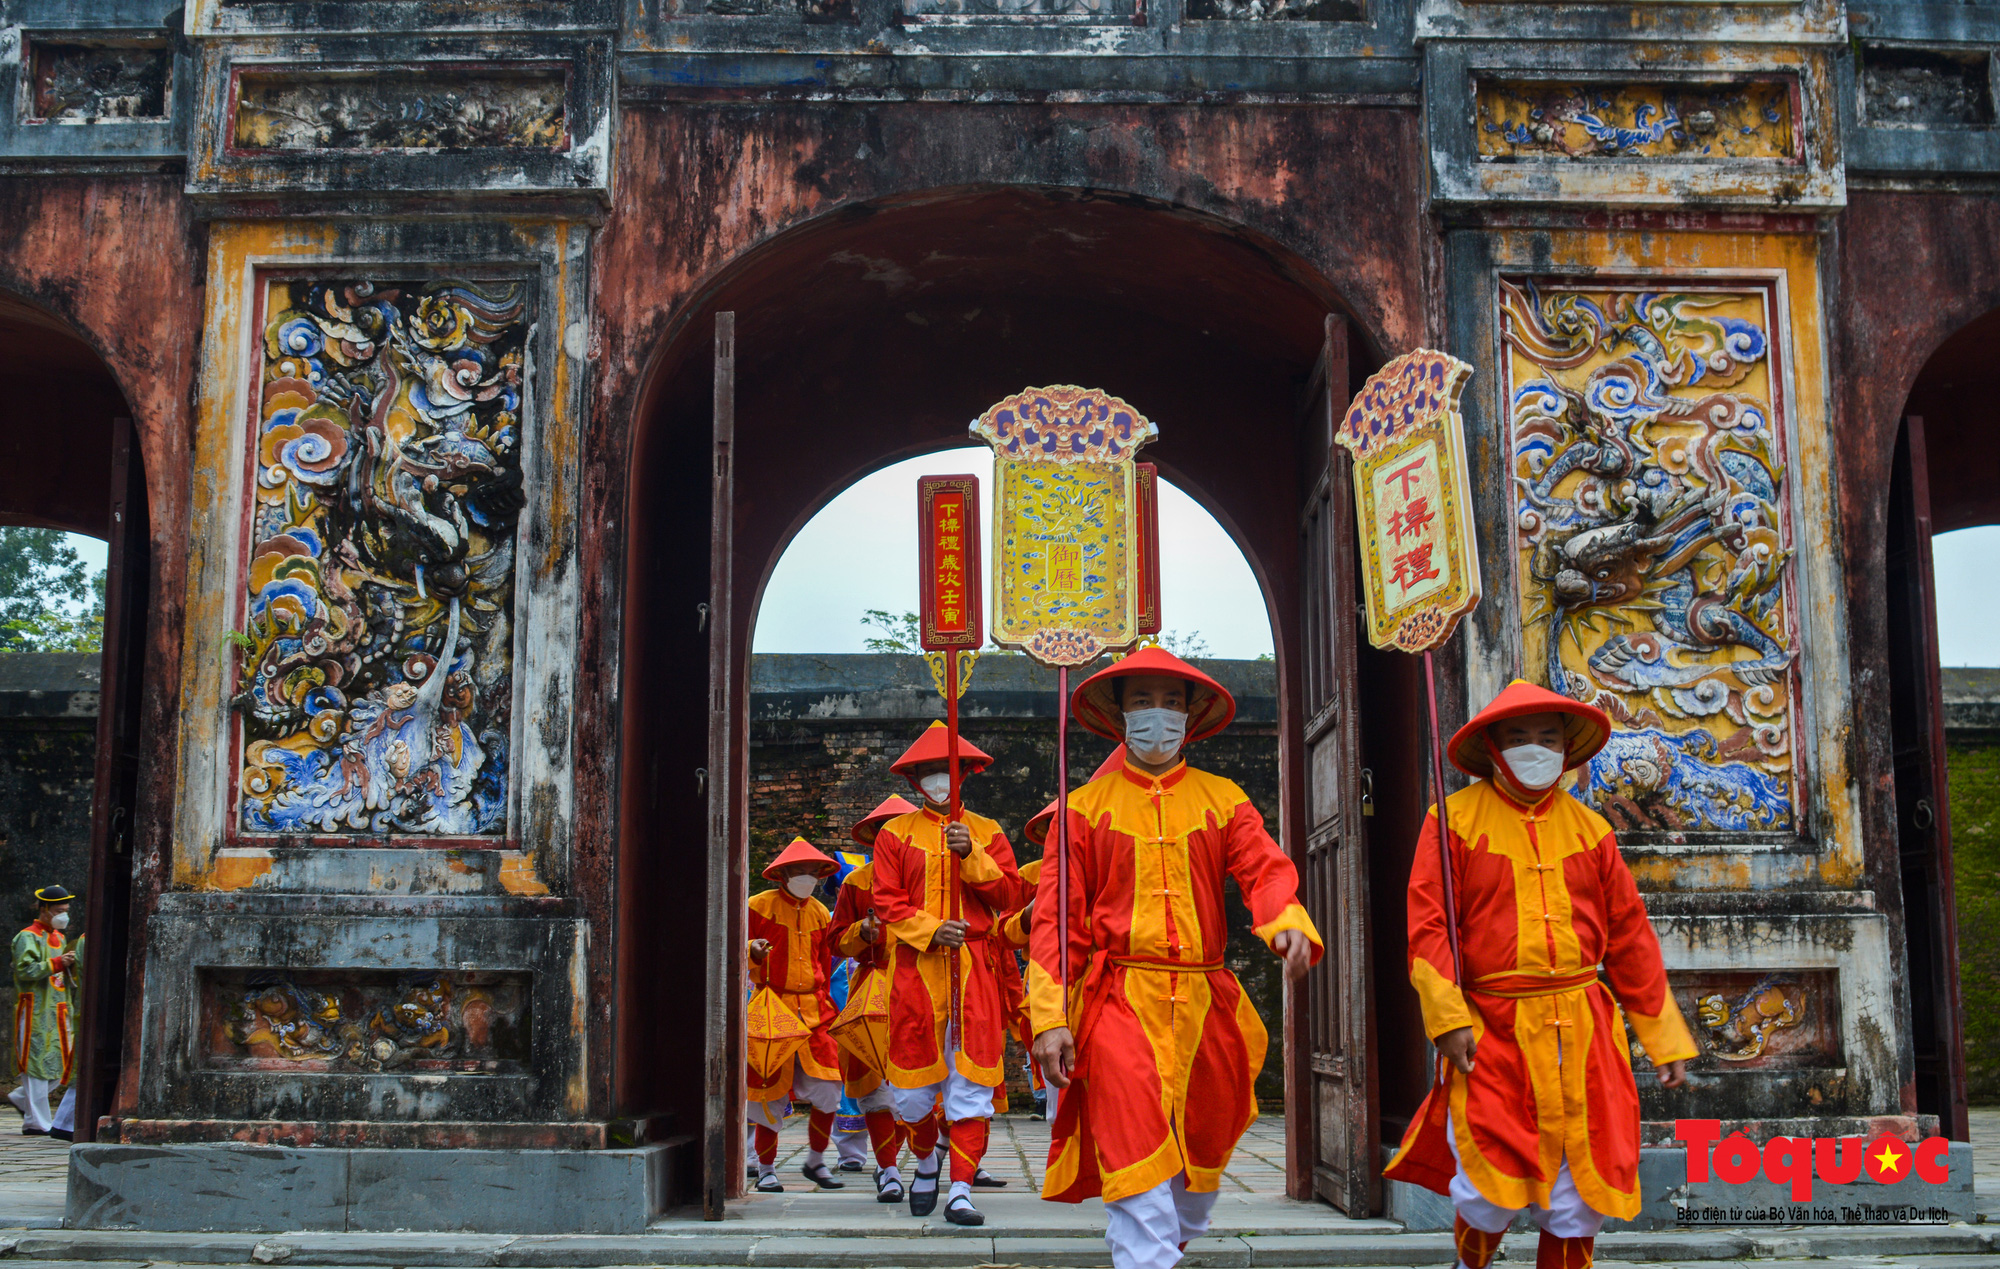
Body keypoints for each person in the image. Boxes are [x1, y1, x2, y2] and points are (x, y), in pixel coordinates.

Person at [1383, 680, 1697, 1269]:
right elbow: (1429, 928)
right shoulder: (1450, 821)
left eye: (1547, 737)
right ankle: (1469, 1263)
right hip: (1493, 1028)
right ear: (1494, 748)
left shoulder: (1591, 830)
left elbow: (1630, 936)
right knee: (1486, 1180)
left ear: (1566, 747)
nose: (1535, 748)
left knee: (1580, 1187)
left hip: (1583, 1029)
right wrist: (1447, 1019)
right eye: (1519, 737)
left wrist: (1662, 1038)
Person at [1028, 648, 1319, 1269]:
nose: (1156, 716)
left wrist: (1285, 922)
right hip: (1118, 1000)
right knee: (1135, 1166)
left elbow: (1262, 868)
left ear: (1190, 715)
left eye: (1170, 702)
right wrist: (1050, 1018)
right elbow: (1054, 923)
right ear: (1118, 715)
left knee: (1197, 1182)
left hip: (1204, 999)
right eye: (1141, 702)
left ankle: (1161, 1248)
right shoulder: (1081, 809)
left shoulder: (1223, 799)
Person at [872, 721, 1026, 1226]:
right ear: (916, 781)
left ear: (965, 776)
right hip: (916, 971)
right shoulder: (895, 834)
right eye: (931, 773)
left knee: (971, 1083)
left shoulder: (987, 831)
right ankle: (924, 1160)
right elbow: (887, 902)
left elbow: (1009, 897)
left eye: (950, 771)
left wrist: (971, 855)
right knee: (911, 1092)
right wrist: (931, 929)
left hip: (975, 970)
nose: (941, 780)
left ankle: (960, 1188)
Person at [827, 794, 920, 1202]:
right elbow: (835, 939)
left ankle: (925, 1164)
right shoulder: (854, 884)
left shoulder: (931, 875)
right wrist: (859, 935)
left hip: (920, 986)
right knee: (874, 1087)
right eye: (885, 833)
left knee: (913, 1087)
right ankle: (889, 1170)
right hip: (872, 988)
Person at [746, 838, 846, 1193]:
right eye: (799, 871)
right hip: (773, 1011)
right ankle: (767, 1167)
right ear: (783, 873)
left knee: (829, 1089)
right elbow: (735, 952)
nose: (807, 877)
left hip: (816, 1012)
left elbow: (824, 963)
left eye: (812, 872)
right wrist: (752, 951)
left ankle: (816, 1161)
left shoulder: (820, 912)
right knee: (767, 1093)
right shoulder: (757, 907)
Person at [10, 885, 79, 1139]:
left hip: (58, 1008)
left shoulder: (59, 938)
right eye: (59, 910)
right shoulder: (27, 937)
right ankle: (38, 1122)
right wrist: (59, 962)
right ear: (44, 909)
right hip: (36, 1008)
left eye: (66, 910)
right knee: (36, 1063)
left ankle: (21, 1098)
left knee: (63, 1064)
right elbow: (24, 970)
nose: (64, 915)